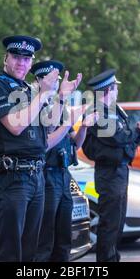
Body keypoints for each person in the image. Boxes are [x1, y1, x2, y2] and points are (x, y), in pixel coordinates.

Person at [0, 35, 82, 262]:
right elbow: (15, 126)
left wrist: (61, 97)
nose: (22, 63)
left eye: (27, 59)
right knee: (10, 250)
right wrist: (43, 94)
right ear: (5, 58)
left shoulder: (28, 90)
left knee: (31, 250)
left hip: (36, 176)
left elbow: (48, 127)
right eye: (16, 57)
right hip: (13, 177)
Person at [82, 69, 140, 262]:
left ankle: (113, 258)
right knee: (110, 223)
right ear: (107, 90)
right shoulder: (99, 112)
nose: (117, 91)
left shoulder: (112, 111)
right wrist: (137, 132)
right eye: (114, 88)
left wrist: (133, 135)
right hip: (109, 173)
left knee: (118, 222)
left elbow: (124, 140)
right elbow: (120, 138)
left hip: (119, 171)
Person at [32, 60, 97, 262]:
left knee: (64, 238)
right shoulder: (36, 106)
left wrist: (84, 127)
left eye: (57, 79)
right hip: (47, 175)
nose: (57, 82)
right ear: (40, 79)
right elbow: (47, 137)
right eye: (52, 79)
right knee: (45, 239)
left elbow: (74, 145)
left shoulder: (61, 106)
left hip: (63, 175)